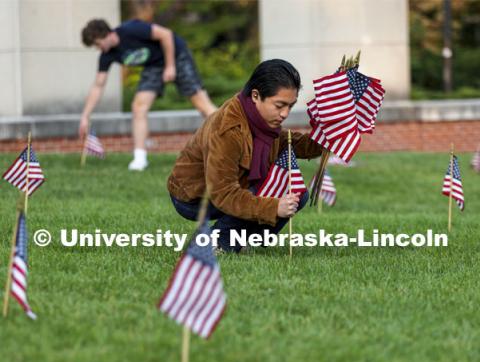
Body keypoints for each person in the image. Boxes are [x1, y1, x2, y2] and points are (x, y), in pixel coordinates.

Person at [167, 59, 325, 253]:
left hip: (230, 188)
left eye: (290, 106)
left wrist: (332, 134)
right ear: (256, 95)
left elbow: (297, 144)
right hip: (194, 198)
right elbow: (223, 193)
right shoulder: (228, 129)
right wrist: (272, 207)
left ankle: (245, 241)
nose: (285, 113)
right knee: (272, 196)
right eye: (279, 105)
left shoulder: (261, 119)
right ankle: (215, 243)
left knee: (296, 193)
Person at [79, 18, 216, 171]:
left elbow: (166, 34)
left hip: (176, 55)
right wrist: (85, 115)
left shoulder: (131, 30)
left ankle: (234, 139)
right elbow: (98, 85)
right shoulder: (107, 55)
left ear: (106, 34)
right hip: (153, 65)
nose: (99, 49)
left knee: (202, 105)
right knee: (138, 107)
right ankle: (140, 158)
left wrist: (170, 66)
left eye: (98, 44)